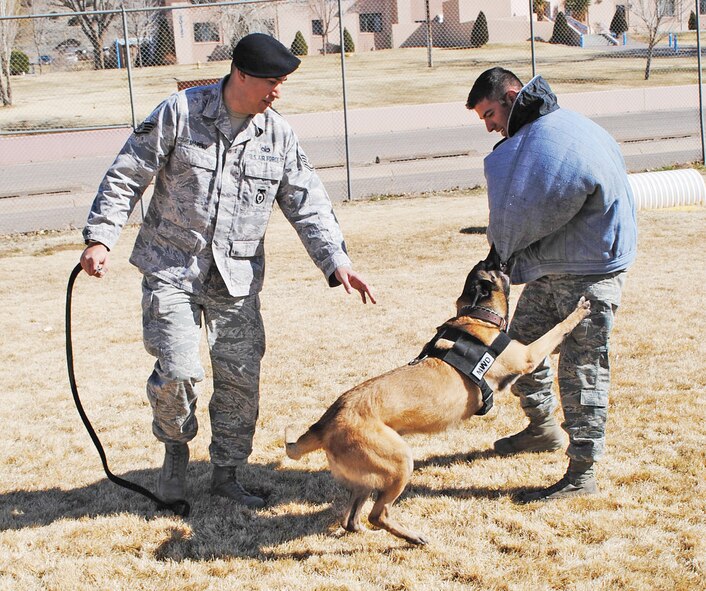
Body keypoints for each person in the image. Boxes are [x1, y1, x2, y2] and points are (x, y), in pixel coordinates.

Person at [80, 33, 376, 509]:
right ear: (240, 74)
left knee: (240, 380)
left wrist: (335, 260)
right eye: (272, 81)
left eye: (282, 82)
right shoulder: (180, 112)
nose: (278, 91)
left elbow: (306, 201)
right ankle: (175, 449)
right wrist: (101, 236)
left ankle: (227, 474)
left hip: (235, 278)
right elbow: (128, 172)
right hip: (171, 267)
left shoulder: (276, 133)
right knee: (178, 372)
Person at [465, 67, 637, 502]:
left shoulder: (554, 135)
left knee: (581, 368)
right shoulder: (544, 134)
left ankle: (582, 472)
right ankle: (542, 427)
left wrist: (502, 250)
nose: (488, 126)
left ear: (510, 95)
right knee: (517, 350)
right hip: (555, 267)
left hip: (591, 271)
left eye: (489, 113)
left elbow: (538, 202)